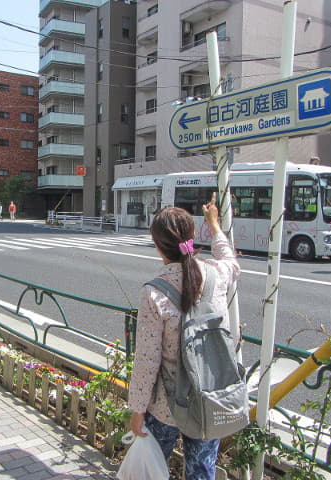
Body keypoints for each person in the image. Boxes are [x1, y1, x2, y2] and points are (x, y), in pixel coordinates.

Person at [128, 192, 240, 479]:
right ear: (191, 237)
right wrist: (214, 225)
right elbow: (230, 259)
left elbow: (147, 360)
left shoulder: (154, 292)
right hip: (209, 399)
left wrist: (137, 409)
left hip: (167, 406)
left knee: (152, 471)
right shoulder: (216, 275)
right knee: (202, 471)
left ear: (157, 246)